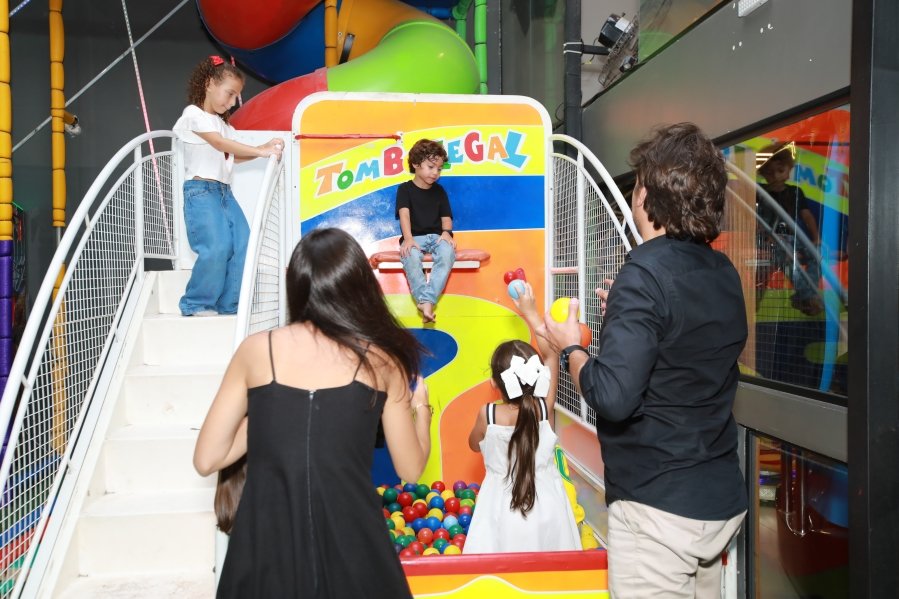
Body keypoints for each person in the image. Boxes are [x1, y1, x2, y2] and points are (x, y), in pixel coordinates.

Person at [540, 123, 748, 599]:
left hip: (659, 510)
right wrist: (631, 320)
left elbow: (612, 397)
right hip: (717, 498)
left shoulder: (644, 271)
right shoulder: (722, 271)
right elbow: (690, 351)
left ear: (646, 195)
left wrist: (573, 347)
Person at [193, 227, 432, 598]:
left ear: (297, 285)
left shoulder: (257, 351)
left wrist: (273, 411)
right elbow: (411, 469)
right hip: (354, 549)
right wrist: (422, 408)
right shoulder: (384, 363)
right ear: (359, 287)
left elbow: (208, 458)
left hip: (265, 552)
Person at [465, 282, 581, 554]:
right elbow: (552, 352)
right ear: (537, 374)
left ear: (495, 382)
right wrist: (530, 312)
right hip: (547, 506)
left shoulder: (488, 414)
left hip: (500, 510)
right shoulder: (544, 408)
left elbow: (473, 444)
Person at [173, 56, 283, 317]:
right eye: (230, 94)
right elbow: (220, 145)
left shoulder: (224, 125)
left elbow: (236, 154)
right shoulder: (194, 115)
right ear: (210, 84)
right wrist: (261, 149)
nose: (232, 102)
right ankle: (197, 303)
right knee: (217, 246)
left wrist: (264, 149)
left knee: (244, 244)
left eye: (236, 97)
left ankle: (230, 304)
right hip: (201, 193)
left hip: (224, 193)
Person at [756, 143, 822, 315]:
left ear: (788, 169)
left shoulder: (795, 191)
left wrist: (816, 239)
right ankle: (807, 297)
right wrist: (767, 236)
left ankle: (806, 295)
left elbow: (807, 216)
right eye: (769, 173)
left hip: (792, 238)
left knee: (819, 253)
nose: (776, 176)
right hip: (770, 240)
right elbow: (756, 219)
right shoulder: (761, 193)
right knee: (783, 259)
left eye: (780, 170)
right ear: (763, 174)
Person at [395, 139, 456, 323]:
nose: (435, 173)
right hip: (414, 237)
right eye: (431, 167)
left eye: (439, 169)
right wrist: (408, 239)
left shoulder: (440, 191)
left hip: (437, 237)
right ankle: (426, 300)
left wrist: (446, 233)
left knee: (447, 253)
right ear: (415, 164)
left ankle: (425, 301)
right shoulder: (405, 189)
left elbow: (447, 218)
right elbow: (404, 215)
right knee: (411, 255)